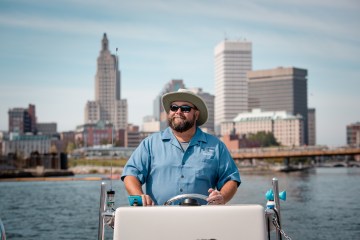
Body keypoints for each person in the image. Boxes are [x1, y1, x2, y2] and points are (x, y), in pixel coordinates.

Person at [121, 89, 241, 206]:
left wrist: (222, 197)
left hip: (202, 220)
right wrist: (139, 196)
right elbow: (131, 174)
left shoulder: (216, 146)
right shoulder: (150, 143)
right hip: (158, 219)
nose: (178, 111)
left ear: (196, 114)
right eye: (173, 107)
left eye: (185, 108)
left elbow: (231, 179)